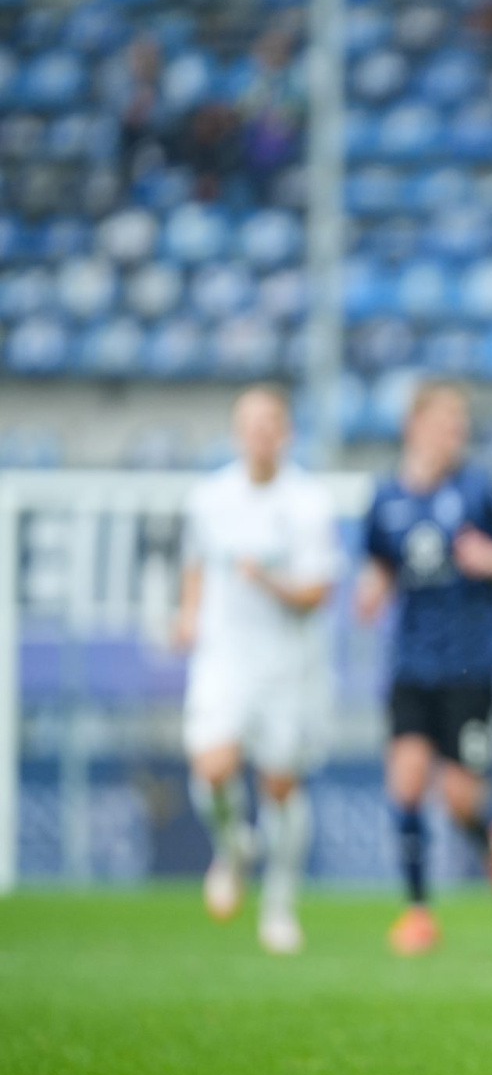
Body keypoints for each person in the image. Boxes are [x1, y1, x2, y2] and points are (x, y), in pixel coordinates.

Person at [357, 382, 492, 955]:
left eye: (460, 424)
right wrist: (372, 591)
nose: (454, 434)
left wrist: (491, 558)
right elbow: (380, 563)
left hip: (471, 668)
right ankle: (418, 911)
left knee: (461, 797)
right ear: (414, 426)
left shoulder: (477, 490)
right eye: (445, 422)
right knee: (406, 783)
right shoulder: (386, 497)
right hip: (411, 666)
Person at [176, 386, 337, 955]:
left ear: (287, 432)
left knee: (280, 786)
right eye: (251, 423)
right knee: (212, 766)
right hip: (224, 657)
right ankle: (232, 847)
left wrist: (267, 580)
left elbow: (318, 591)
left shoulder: (309, 503)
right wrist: (188, 614)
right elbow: (195, 564)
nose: (261, 433)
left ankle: (279, 904)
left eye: (272, 422)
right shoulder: (210, 498)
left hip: (288, 666)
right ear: (237, 432)